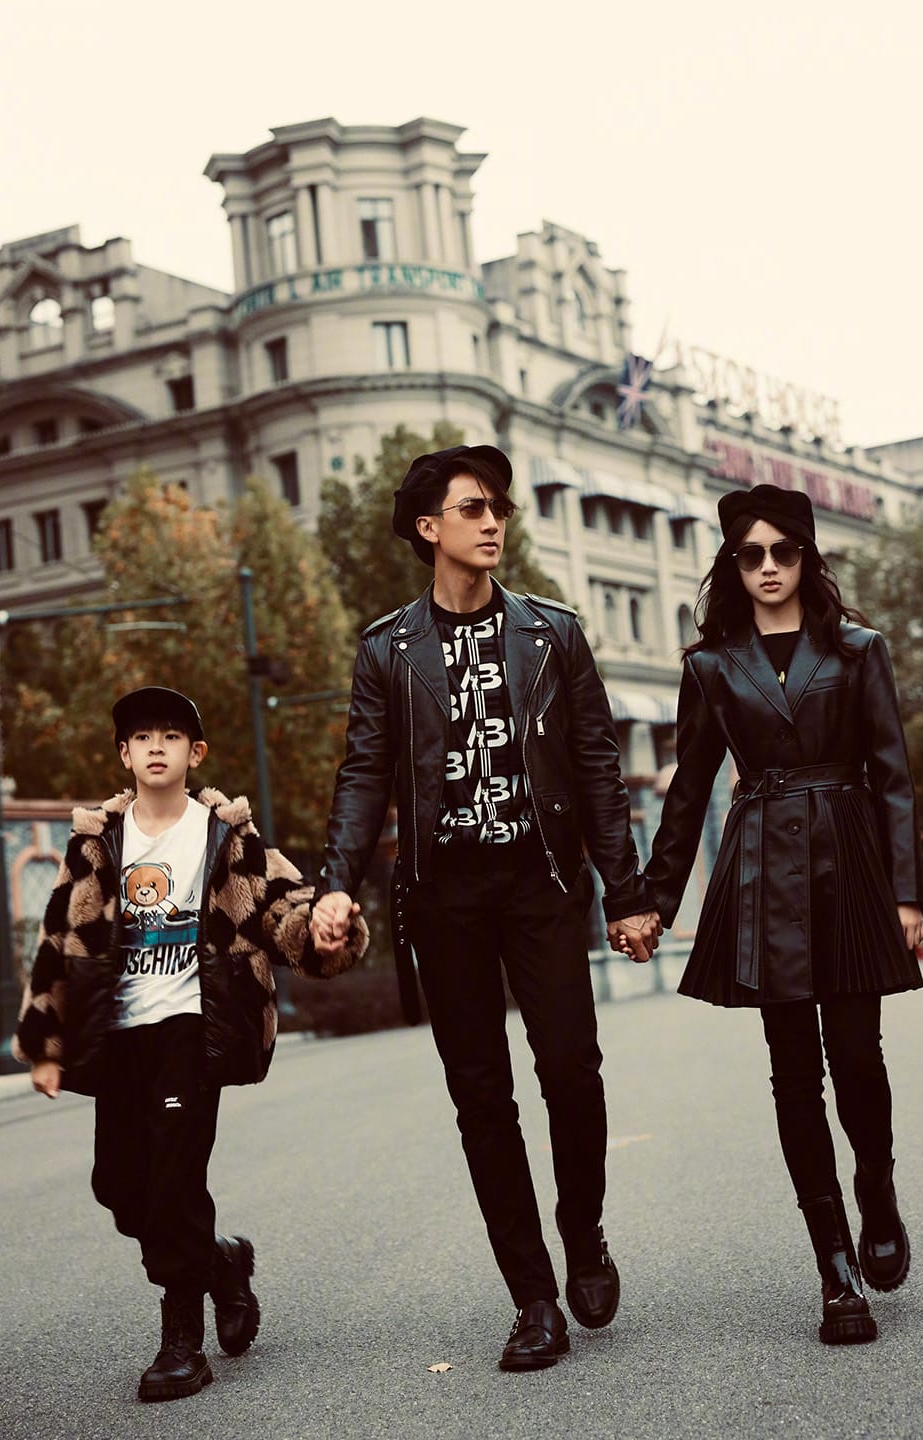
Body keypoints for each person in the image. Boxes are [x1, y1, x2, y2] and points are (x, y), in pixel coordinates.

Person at [311, 443, 660, 1371]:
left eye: (497, 507)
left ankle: (582, 1235)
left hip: (540, 884)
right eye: (472, 508)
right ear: (429, 528)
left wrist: (624, 893)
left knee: (571, 1072)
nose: (492, 520)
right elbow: (363, 774)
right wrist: (336, 880)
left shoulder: (553, 633)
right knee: (481, 1099)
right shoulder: (387, 649)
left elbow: (596, 768)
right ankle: (533, 1297)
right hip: (445, 898)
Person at [14, 687, 367, 1403]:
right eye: (141, 737)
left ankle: (182, 1342)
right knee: (118, 1186)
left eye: (170, 736)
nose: (155, 746)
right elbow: (59, 939)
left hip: (190, 1029)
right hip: (120, 1037)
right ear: (124, 754)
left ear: (194, 753)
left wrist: (325, 932)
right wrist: (45, 1043)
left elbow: (280, 906)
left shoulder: (225, 837)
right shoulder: (97, 843)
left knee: (174, 1181)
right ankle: (220, 1262)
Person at [641, 484, 923, 1346]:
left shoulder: (857, 649)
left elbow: (893, 775)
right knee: (793, 1074)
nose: (767, 567)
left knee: (858, 1057)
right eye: (750, 555)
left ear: (805, 557)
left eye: (782, 551)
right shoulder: (710, 666)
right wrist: (652, 900)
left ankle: (875, 1188)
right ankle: (834, 1269)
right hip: (763, 868)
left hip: (850, 862)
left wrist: (906, 893)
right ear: (732, 565)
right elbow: (688, 790)